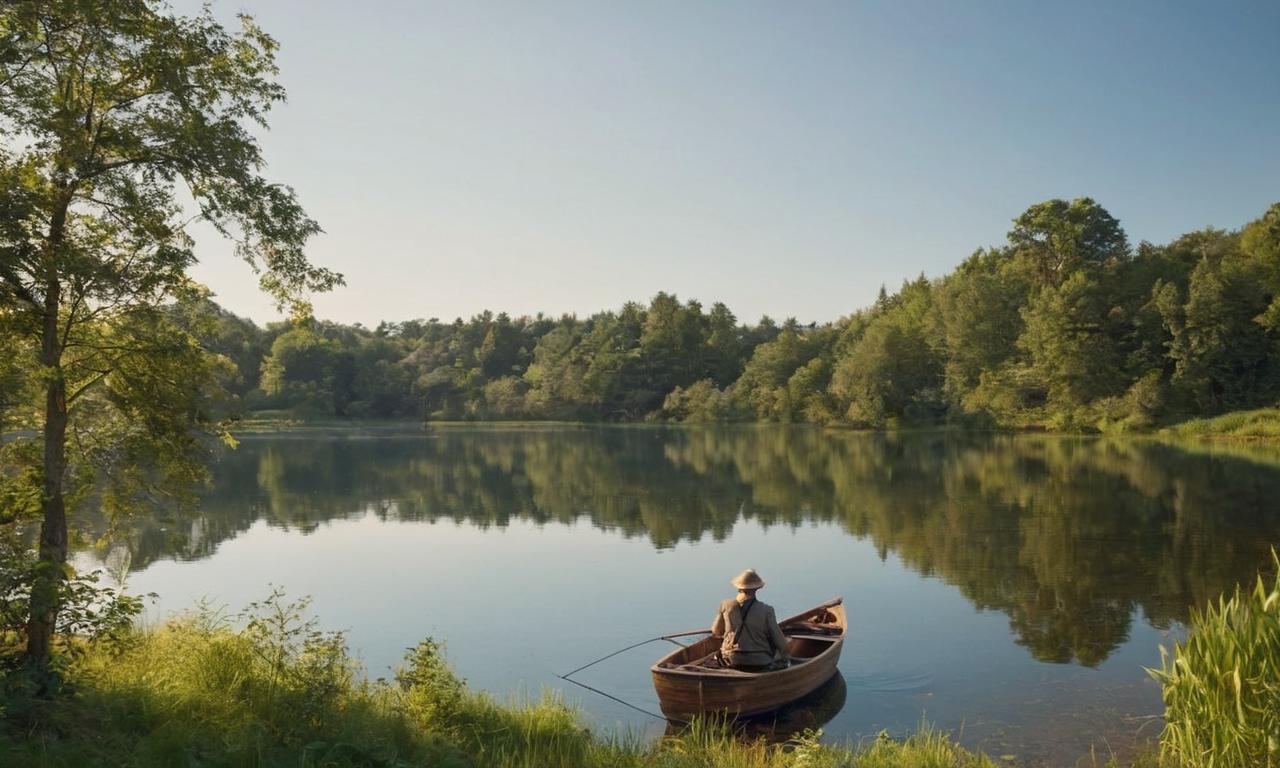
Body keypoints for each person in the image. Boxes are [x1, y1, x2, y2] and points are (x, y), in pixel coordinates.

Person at [710, 569, 790, 670]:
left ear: (739, 588)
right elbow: (781, 643)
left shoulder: (725, 605)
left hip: (732, 658)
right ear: (756, 589)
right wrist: (785, 655)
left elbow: (716, 631)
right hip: (760, 661)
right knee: (781, 655)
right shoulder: (767, 610)